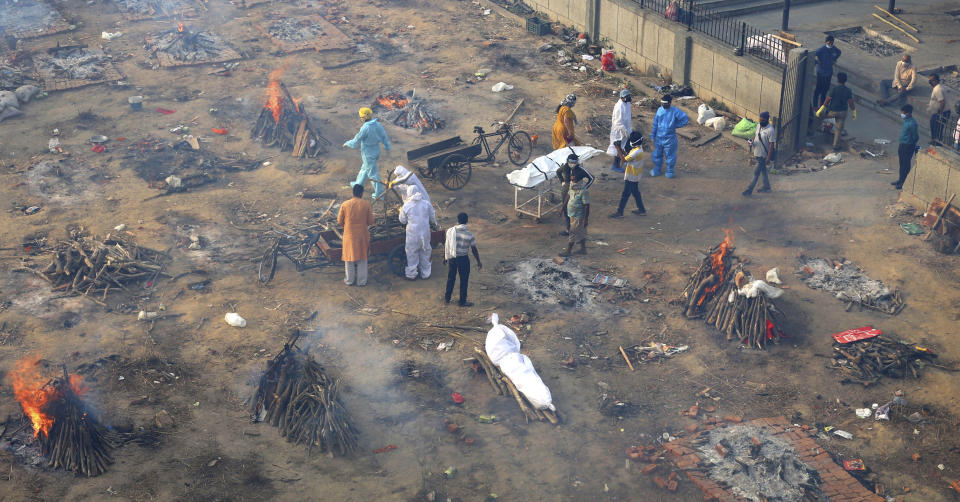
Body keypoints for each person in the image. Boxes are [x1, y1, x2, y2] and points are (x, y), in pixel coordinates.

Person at [344, 107, 391, 199]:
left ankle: (380, 194)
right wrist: (387, 145)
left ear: (364, 118)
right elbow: (383, 136)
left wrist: (347, 143)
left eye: (361, 117)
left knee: (373, 174)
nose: (360, 118)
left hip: (368, 153)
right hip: (376, 151)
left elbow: (356, 141)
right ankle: (358, 184)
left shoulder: (365, 128)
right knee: (365, 169)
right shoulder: (378, 124)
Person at [337, 184, 374, 286]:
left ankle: (349, 280)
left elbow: (339, 221)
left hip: (349, 234)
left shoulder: (345, 204)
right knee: (362, 257)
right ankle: (362, 281)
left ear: (353, 192)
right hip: (362, 234)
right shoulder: (366, 204)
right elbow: (371, 221)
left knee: (349, 258)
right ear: (362, 193)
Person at [398, 185, 437, 280]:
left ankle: (411, 275)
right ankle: (425, 274)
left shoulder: (406, 206)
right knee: (425, 251)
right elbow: (432, 218)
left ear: (409, 193)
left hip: (412, 234)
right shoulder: (426, 204)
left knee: (412, 253)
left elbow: (402, 220)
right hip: (425, 233)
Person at [443, 212, 482, 307]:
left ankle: (447, 299)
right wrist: (478, 261)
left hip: (452, 258)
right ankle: (462, 301)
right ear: (467, 221)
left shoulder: (450, 231)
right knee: (464, 281)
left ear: (458, 220)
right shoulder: (470, 235)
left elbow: (447, 245)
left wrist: (445, 257)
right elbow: (474, 250)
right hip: (463, 259)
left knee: (451, 278)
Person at [649, 94, 689, 178]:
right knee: (657, 154)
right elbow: (655, 123)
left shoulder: (675, 111)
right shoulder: (659, 110)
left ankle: (670, 170)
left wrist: (675, 125)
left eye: (665, 103)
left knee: (670, 155)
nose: (663, 105)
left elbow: (685, 118)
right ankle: (657, 168)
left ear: (669, 103)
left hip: (670, 138)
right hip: (658, 137)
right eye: (662, 103)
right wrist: (653, 134)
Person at [609, 131, 646, 218]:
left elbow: (624, 160)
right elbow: (628, 156)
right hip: (635, 175)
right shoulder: (638, 149)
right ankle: (642, 210)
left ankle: (620, 212)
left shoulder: (636, 152)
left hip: (632, 176)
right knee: (635, 193)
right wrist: (621, 150)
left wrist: (618, 149)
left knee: (625, 194)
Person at [556, 154, 595, 236]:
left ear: (577, 162)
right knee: (567, 210)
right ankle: (568, 229)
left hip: (577, 191)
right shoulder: (565, 167)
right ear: (568, 161)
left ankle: (577, 229)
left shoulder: (581, 170)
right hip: (566, 189)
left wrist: (585, 188)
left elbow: (591, 178)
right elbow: (558, 172)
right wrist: (562, 182)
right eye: (570, 162)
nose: (572, 164)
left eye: (574, 162)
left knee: (577, 210)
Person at [819, 72, 855, 150]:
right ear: (845, 81)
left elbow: (827, 100)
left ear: (837, 80)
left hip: (832, 112)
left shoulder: (834, 89)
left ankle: (812, 131)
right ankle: (835, 145)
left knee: (819, 118)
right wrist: (854, 111)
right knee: (838, 129)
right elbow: (850, 102)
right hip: (842, 112)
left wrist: (820, 109)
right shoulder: (848, 90)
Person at [742, 111, 775, 196]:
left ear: (767, 120)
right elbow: (756, 136)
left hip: (763, 155)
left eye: (763, 120)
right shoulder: (758, 126)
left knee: (756, 173)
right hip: (756, 152)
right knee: (763, 171)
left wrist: (768, 157)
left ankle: (749, 190)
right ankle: (767, 187)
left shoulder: (770, 130)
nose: (761, 121)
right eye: (760, 119)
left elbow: (771, 145)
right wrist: (751, 142)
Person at [560, 169, 590, 257]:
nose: (572, 181)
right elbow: (569, 195)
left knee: (572, 232)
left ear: (579, 180)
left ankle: (568, 251)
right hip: (572, 214)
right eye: (571, 179)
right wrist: (563, 207)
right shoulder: (572, 186)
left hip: (579, 216)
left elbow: (587, 206)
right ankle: (583, 249)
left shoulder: (584, 191)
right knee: (581, 232)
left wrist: (585, 219)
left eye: (574, 179)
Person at [891, 104, 919, 190]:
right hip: (902, 144)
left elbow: (915, 137)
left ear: (908, 113)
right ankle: (900, 180)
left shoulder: (912, 123)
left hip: (908, 146)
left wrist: (911, 144)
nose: (902, 114)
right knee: (901, 163)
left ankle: (904, 182)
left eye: (903, 113)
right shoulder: (906, 120)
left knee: (906, 165)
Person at [607, 89, 632, 173]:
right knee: (618, 148)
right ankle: (615, 165)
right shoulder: (619, 106)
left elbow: (627, 117)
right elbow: (618, 122)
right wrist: (625, 132)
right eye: (627, 97)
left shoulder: (627, 104)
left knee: (623, 147)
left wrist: (629, 130)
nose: (629, 98)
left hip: (625, 128)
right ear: (623, 98)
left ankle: (621, 162)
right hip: (618, 131)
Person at [813, 35, 841, 108]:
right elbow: (814, 54)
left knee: (825, 90)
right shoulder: (822, 49)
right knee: (818, 89)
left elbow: (839, 53)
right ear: (826, 42)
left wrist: (834, 59)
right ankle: (815, 105)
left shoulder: (834, 49)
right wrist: (817, 61)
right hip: (821, 72)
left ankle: (822, 105)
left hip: (828, 72)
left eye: (831, 43)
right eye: (829, 43)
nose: (830, 45)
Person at [928, 74, 948, 145]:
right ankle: (936, 141)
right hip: (939, 112)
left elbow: (942, 102)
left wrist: (940, 114)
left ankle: (936, 142)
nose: (930, 82)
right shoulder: (940, 86)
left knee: (936, 128)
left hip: (940, 112)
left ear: (935, 80)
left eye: (931, 80)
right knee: (938, 128)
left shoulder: (937, 89)